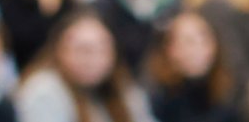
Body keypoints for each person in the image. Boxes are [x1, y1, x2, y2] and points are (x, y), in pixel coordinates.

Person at [13, 9, 155, 122]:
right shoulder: (43, 91)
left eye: (102, 49)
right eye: (83, 50)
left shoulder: (120, 87)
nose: (93, 59)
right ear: (59, 51)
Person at [143, 9, 236, 122]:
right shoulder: (155, 100)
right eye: (189, 41)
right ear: (170, 49)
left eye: (204, 39)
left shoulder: (226, 94)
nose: (199, 48)